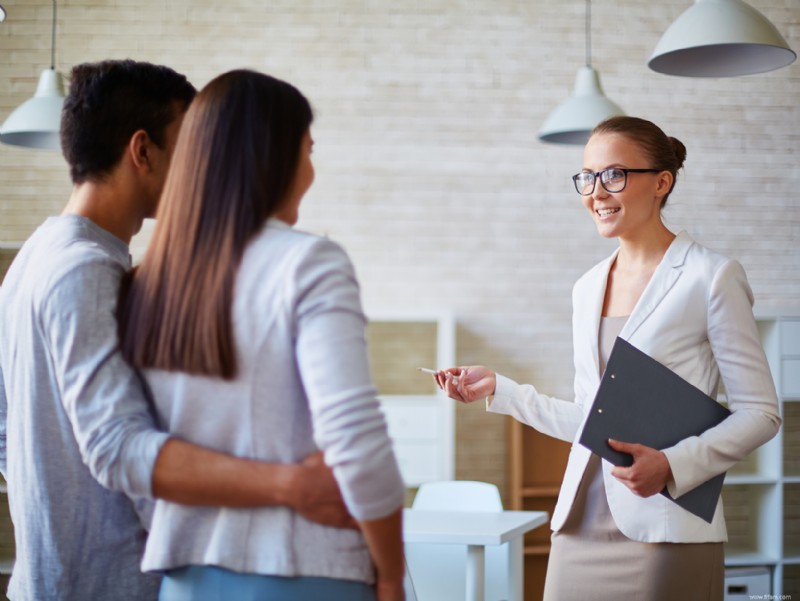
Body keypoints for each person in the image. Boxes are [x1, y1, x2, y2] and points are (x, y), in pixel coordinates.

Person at [0, 60, 353, 601]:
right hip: (107, 587)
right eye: (189, 150)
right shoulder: (85, 270)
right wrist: (289, 486)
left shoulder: (36, 256)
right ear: (143, 152)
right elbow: (118, 446)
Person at [433, 116, 781, 600]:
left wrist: (673, 464)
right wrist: (500, 389)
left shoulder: (711, 277)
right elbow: (589, 417)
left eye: (614, 174)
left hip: (665, 525)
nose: (596, 191)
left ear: (662, 182)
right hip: (580, 523)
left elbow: (761, 413)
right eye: (587, 177)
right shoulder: (587, 287)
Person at [117, 69, 406, 601]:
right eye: (308, 149)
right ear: (273, 155)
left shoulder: (145, 281)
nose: (312, 170)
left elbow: (132, 452)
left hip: (183, 578)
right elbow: (354, 438)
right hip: (304, 571)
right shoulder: (308, 262)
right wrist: (390, 572)